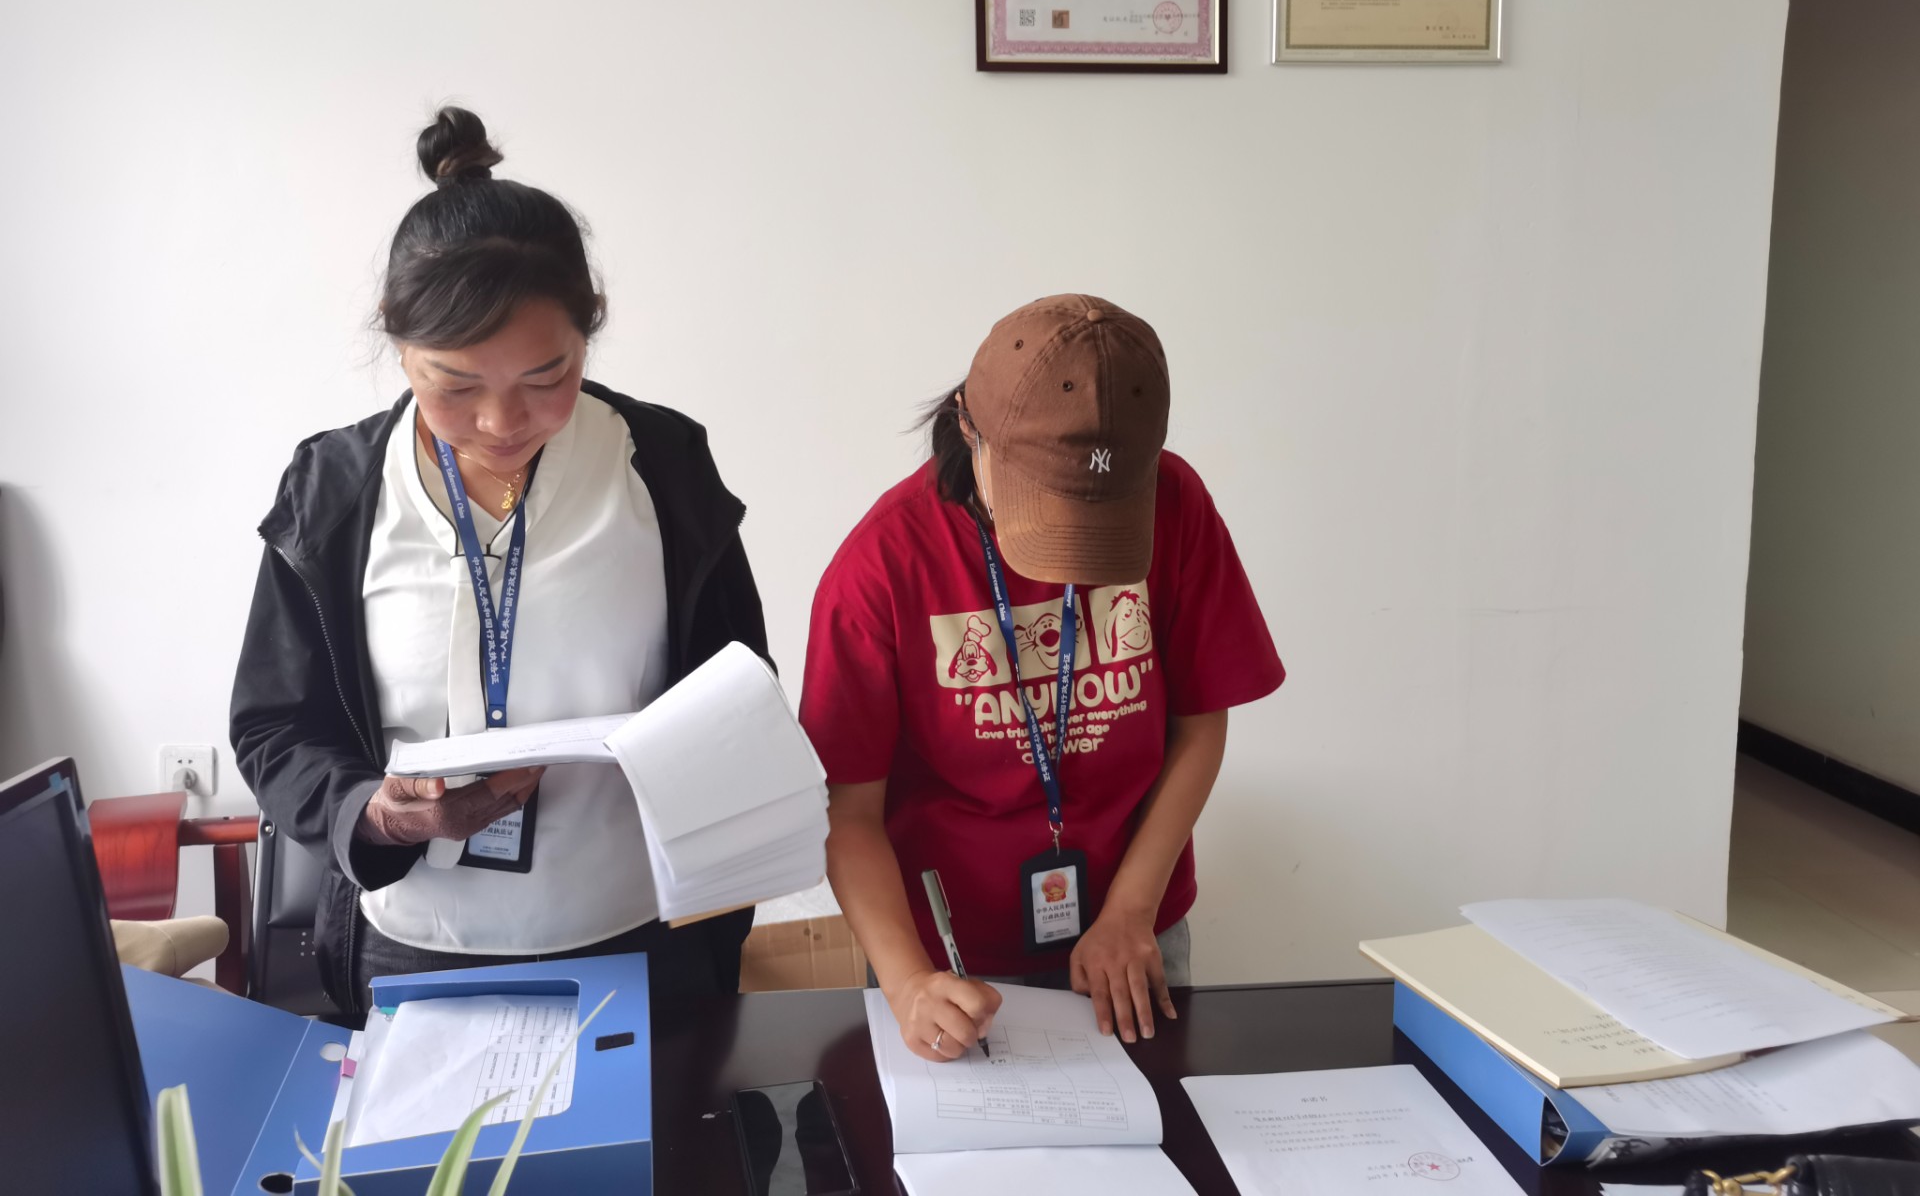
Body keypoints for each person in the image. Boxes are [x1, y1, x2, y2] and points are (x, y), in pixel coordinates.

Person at [231, 108, 768, 1017]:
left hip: (639, 933)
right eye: (455, 385)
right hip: (414, 946)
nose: (501, 422)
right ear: (399, 346)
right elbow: (274, 727)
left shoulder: (663, 466)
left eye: (547, 378)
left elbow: (739, 684)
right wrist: (373, 811)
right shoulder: (334, 493)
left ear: (589, 333)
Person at [801, 295, 1284, 1060]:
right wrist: (907, 983)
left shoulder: (1177, 504)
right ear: (969, 427)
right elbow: (848, 811)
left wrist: (1131, 910)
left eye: (1105, 516)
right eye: (1047, 508)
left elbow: (1199, 722)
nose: (1073, 551)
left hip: (1132, 927)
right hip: (947, 957)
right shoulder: (883, 567)